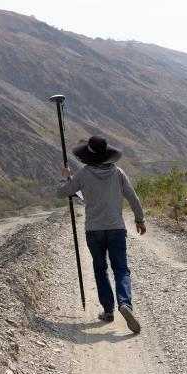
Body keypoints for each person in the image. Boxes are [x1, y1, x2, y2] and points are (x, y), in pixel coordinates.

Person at [56, 135, 145, 334]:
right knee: (121, 270)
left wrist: (65, 176)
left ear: (89, 155)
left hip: (94, 231)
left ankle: (108, 311)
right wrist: (140, 220)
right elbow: (133, 197)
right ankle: (125, 304)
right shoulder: (118, 173)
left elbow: (62, 192)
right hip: (116, 229)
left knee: (100, 269)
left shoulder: (83, 174)